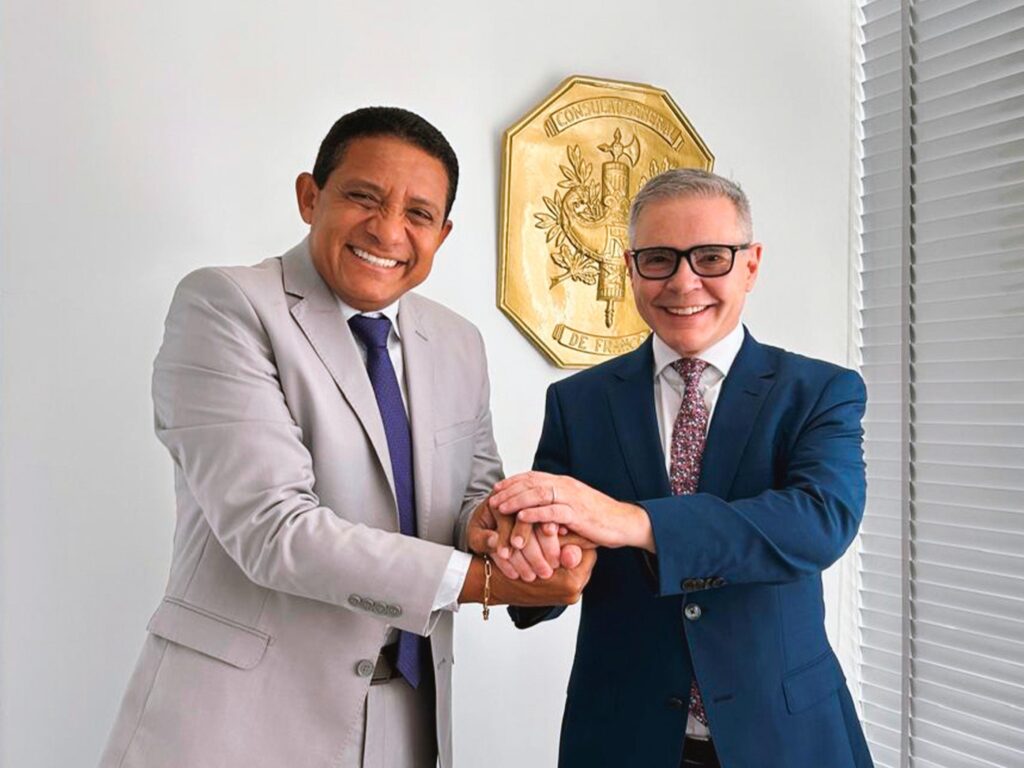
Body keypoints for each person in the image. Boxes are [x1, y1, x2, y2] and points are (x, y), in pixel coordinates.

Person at [99, 106, 595, 768]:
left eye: (418, 214)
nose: (388, 230)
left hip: (410, 716)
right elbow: (273, 530)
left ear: (442, 234)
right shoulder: (225, 306)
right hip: (237, 722)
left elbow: (471, 494)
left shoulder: (458, 342)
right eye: (364, 197)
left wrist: (502, 531)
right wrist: (484, 584)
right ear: (311, 197)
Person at [489, 169, 874, 767]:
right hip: (621, 738)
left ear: (751, 265)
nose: (683, 281)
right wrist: (531, 556)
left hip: (785, 737)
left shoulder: (819, 391)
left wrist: (634, 521)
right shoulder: (578, 402)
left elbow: (819, 523)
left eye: (711, 257)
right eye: (659, 259)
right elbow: (547, 577)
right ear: (630, 268)